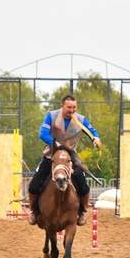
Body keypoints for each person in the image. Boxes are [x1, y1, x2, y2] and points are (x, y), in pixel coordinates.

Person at [27, 94, 102, 226]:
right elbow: (42, 134)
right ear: (63, 106)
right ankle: (33, 211)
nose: (72, 110)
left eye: (74, 107)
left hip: (71, 155)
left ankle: (83, 211)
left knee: (82, 183)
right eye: (69, 107)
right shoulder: (51, 116)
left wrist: (96, 138)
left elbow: (92, 131)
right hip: (51, 154)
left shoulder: (81, 119)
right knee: (34, 184)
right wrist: (55, 143)